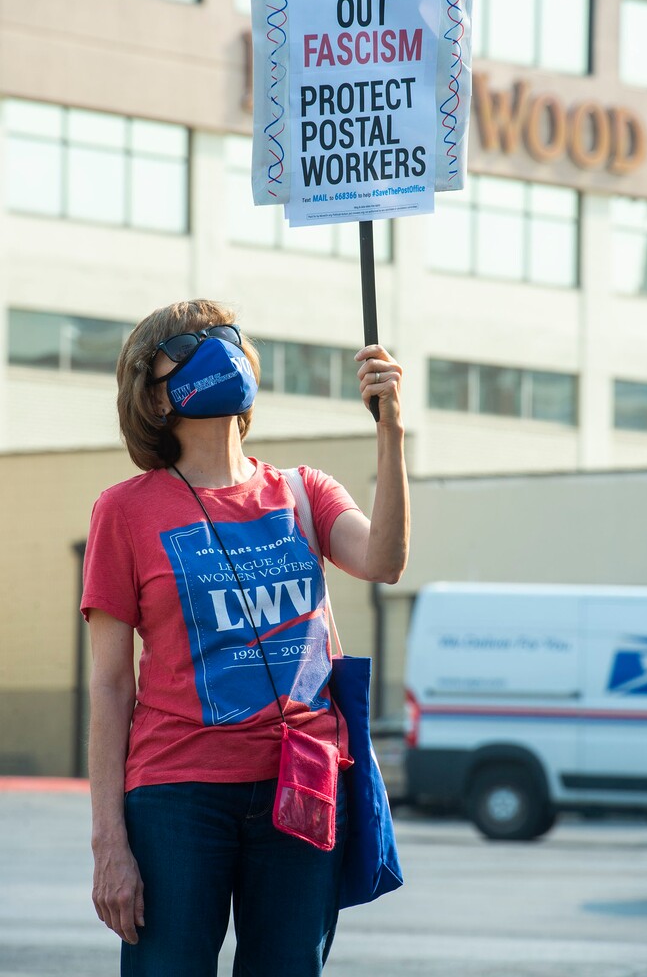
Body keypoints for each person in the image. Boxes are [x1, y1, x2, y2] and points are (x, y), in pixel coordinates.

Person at [82, 298, 409, 977]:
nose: (218, 344)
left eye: (226, 333)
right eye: (191, 340)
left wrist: (391, 431)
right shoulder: (125, 511)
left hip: (303, 780)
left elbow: (383, 560)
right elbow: (112, 686)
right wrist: (109, 842)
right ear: (156, 392)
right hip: (177, 793)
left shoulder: (302, 491)